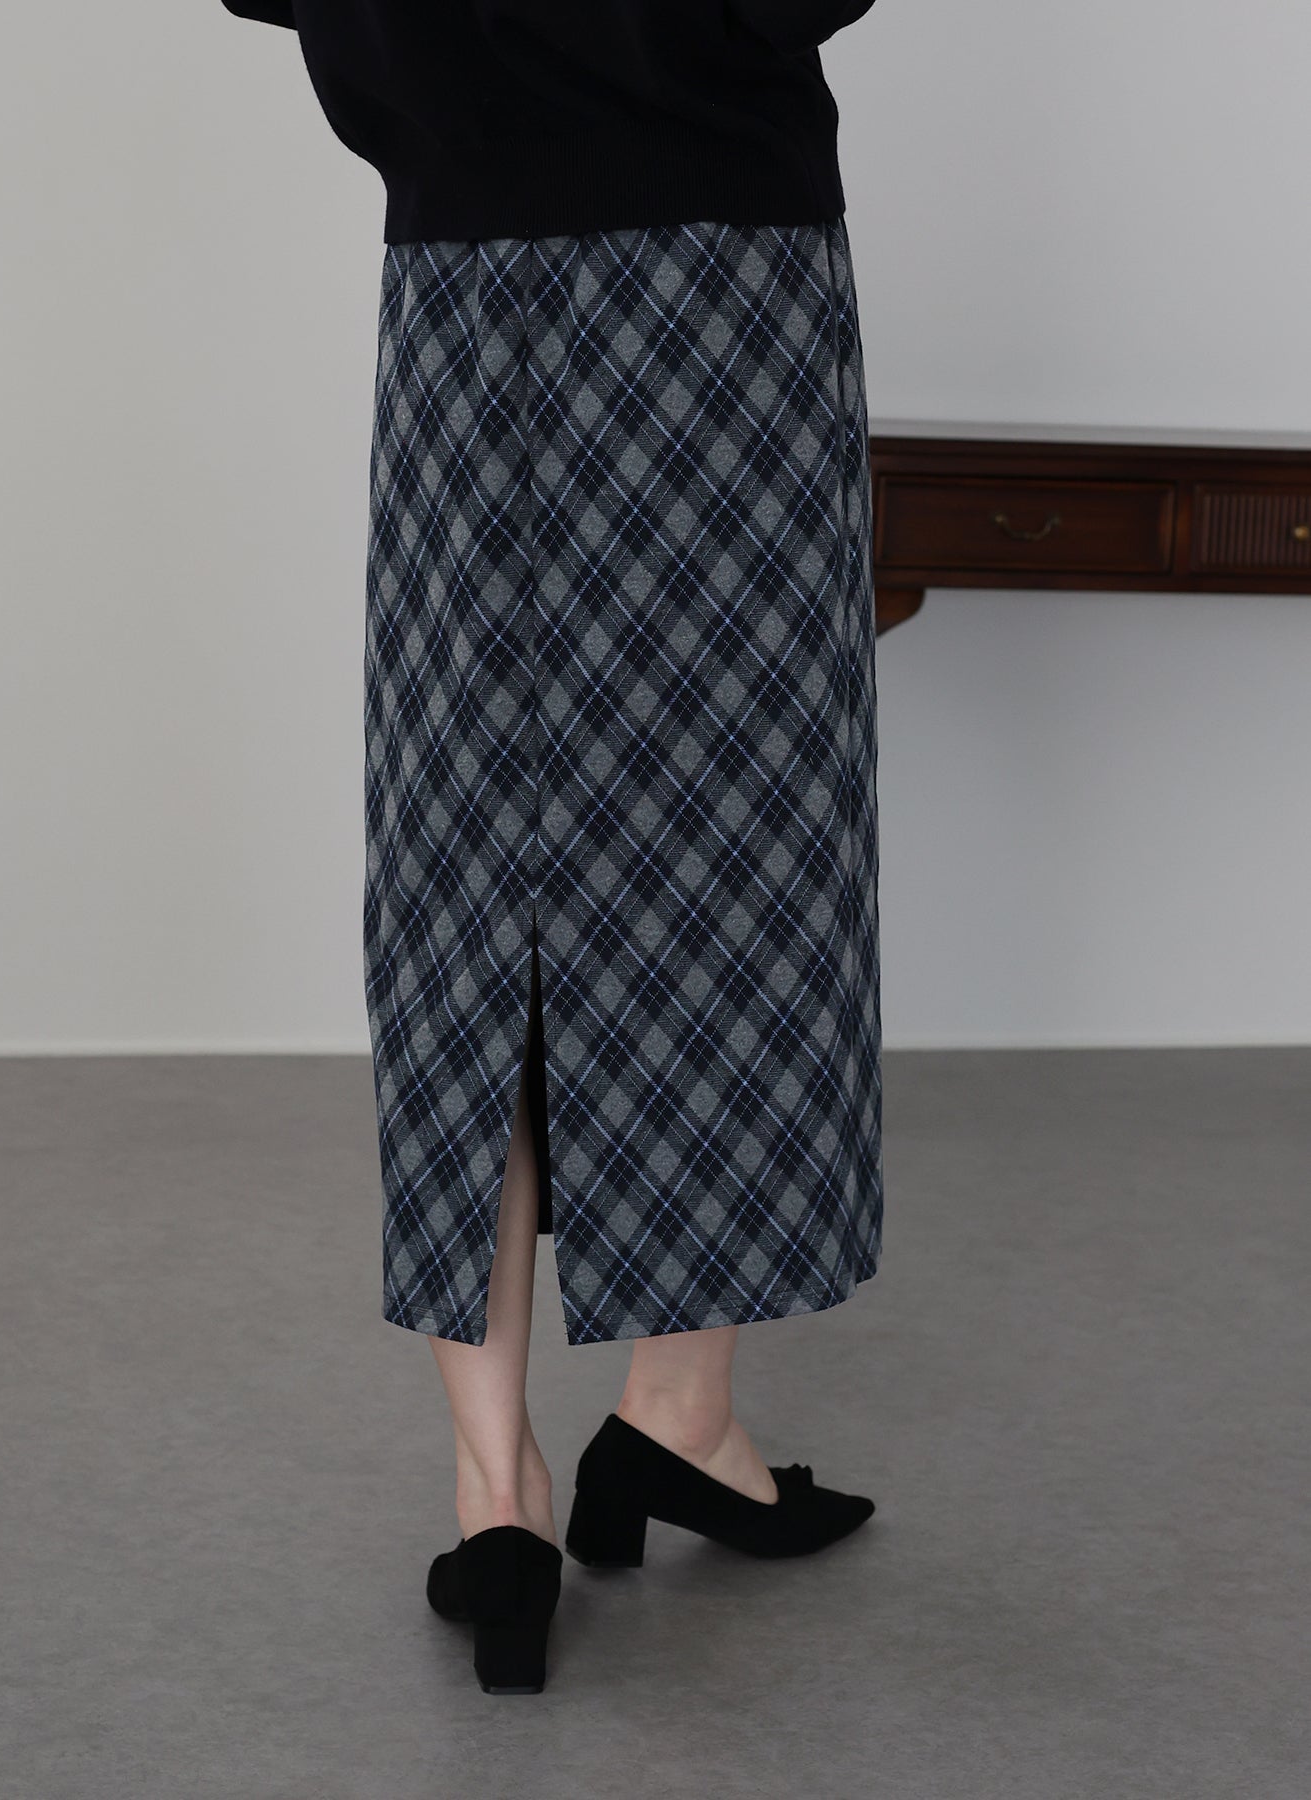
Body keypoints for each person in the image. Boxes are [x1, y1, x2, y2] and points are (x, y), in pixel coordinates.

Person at [221, 0, 885, 1695]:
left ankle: (500, 1490)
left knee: (475, 860)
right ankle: (677, 1406)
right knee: (724, 850)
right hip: (724, 279)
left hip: (468, 271)